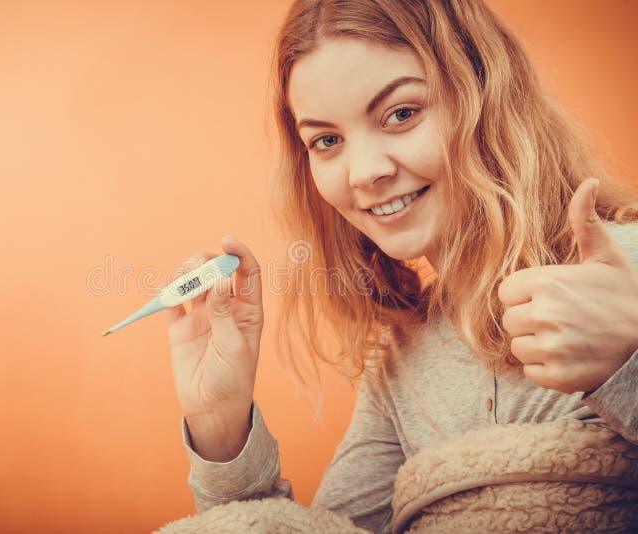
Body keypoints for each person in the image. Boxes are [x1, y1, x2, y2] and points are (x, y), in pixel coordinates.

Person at [162, 1, 638, 532]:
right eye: (327, 141)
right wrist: (219, 423)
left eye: (402, 113)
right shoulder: (401, 360)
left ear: (487, 95)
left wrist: (630, 359)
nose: (364, 172)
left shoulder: (627, 268)